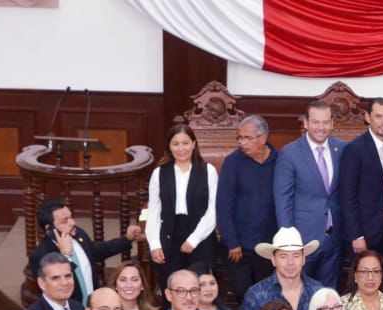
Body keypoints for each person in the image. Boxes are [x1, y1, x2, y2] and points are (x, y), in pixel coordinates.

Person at [274, 102, 345, 286]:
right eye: (315, 122)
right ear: (305, 123)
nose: (321, 127)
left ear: (332, 123)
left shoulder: (342, 149)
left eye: (325, 122)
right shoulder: (289, 153)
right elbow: (283, 199)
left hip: (335, 239)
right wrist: (289, 242)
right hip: (302, 240)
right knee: (299, 291)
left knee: (328, 293)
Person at [145, 123, 219, 283]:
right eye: (176, 144)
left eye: (185, 143)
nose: (181, 149)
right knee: (171, 283)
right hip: (169, 234)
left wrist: (194, 239)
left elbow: (213, 209)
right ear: (169, 146)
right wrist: (155, 244)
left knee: (198, 284)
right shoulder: (159, 173)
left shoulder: (208, 171)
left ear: (194, 144)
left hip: (200, 234)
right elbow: (154, 211)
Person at [28, 198, 140, 303]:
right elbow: (55, 290)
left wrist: (127, 239)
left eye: (71, 217)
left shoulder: (79, 234)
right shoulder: (40, 256)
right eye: (65, 221)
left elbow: (97, 251)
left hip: (92, 304)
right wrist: (65, 255)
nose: (72, 222)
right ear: (49, 229)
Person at [217, 114, 279, 299]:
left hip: (269, 245)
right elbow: (223, 205)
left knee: (268, 294)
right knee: (242, 291)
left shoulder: (280, 160)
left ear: (263, 138)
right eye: (240, 138)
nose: (242, 143)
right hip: (239, 247)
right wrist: (232, 241)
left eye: (247, 138)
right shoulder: (232, 162)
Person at [340, 98, 383, 259]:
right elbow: (347, 197)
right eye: (378, 116)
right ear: (368, 117)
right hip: (367, 232)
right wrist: (356, 235)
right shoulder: (354, 149)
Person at [240, 226, 325, 310]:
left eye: (296, 256)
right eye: (283, 257)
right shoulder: (255, 295)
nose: (290, 262)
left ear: (303, 259)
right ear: (273, 260)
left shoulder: (317, 291)